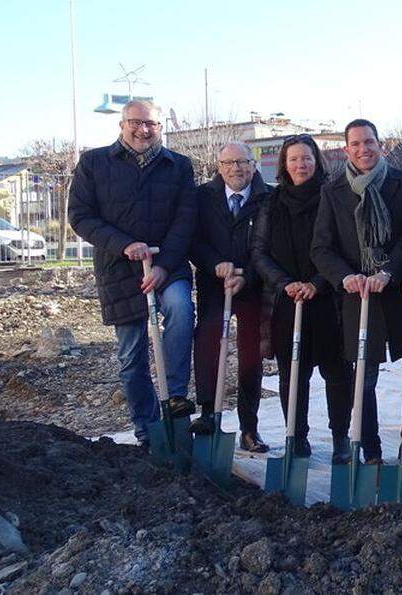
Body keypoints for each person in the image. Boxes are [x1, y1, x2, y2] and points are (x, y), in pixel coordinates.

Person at [68, 99, 197, 448]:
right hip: (118, 269)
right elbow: (80, 215)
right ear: (122, 124)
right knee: (131, 354)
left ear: (160, 127)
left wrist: (163, 265)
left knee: (181, 311)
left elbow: (186, 219)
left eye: (152, 124)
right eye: (136, 122)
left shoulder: (179, 166)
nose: (144, 129)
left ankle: (174, 399)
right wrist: (124, 245)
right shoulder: (95, 163)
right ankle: (146, 429)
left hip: (167, 265)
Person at [312, 120, 402, 462]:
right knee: (365, 379)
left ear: (381, 144)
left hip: (399, 290)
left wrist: (389, 272)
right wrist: (345, 277)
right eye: (356, 144)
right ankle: (371, 451)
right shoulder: (332, 191)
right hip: (357, 296)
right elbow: (321, 248)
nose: (364, 149)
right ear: (346, 149)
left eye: (370, 142)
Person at [251, 135, 353, 462]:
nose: (301, 165)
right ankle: (297, 436)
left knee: (336, 372)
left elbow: (344, 247)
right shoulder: (271, 202)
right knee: (292, 373)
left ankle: (340, 438)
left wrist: (317, 283)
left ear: (317, 161)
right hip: (286, 300)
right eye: (294, 159)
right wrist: (286, 284)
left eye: (307, 158)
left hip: (327, 300)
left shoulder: (333, 196)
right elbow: (259, 252)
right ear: (284, 163)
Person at [188, 142, 272, 453]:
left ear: (253, 165)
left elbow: (270, 245)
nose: (236, 168)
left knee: (251, 352)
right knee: (208, 341)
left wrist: (246, 274)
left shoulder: (268, 198)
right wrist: (215, 265)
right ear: (218, 166)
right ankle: (209, 413)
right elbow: (193, 240)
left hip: (253, 286)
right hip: (214, 284)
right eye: (228, 162)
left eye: (242, 162)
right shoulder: (202, 197)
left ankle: (249, 426)